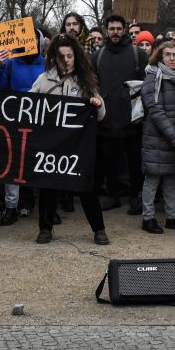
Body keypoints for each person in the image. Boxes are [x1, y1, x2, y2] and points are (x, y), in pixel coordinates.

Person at [30, 35, 110, 245]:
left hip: (77, 146)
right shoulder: (43, 79)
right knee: (48, 186)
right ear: (54, 57)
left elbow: (101, 114)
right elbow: (29, 106)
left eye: (70, 56)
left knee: (86, 186)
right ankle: (45, 229)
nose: (66, 60)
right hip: (51, 144)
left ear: (76, 56)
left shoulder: (86, 80)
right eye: (61, 56)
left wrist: (96, 104)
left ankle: (99, 229)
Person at [0, 28, 48, 224]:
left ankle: (48, 207)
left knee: (42, 166)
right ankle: (11, 207)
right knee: (13, 167)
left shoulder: (48, 65)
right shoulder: (10, 64)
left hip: (41, 124)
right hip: (15, 123)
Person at [92, 14, 148, 214]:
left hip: (132, 119)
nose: (115, 32)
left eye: (118, 28)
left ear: (124, 29)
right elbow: (93, 85)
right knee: (110, 161)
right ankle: (113, 195)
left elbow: (145, 84)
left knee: (134, 162)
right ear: (106, 30)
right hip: (106, 118)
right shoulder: (98, 56)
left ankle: (135, 196)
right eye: (111, 28)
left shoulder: (137, 54)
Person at [137, 40, 175, 234]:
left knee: (172, 179)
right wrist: (173, 136)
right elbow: (153, 108)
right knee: (152, 180)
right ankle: (148, 218)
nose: (171, 58)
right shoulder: (153, 76)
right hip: (157, 137)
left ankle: (172, 217)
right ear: (160, 57)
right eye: (167, 54)